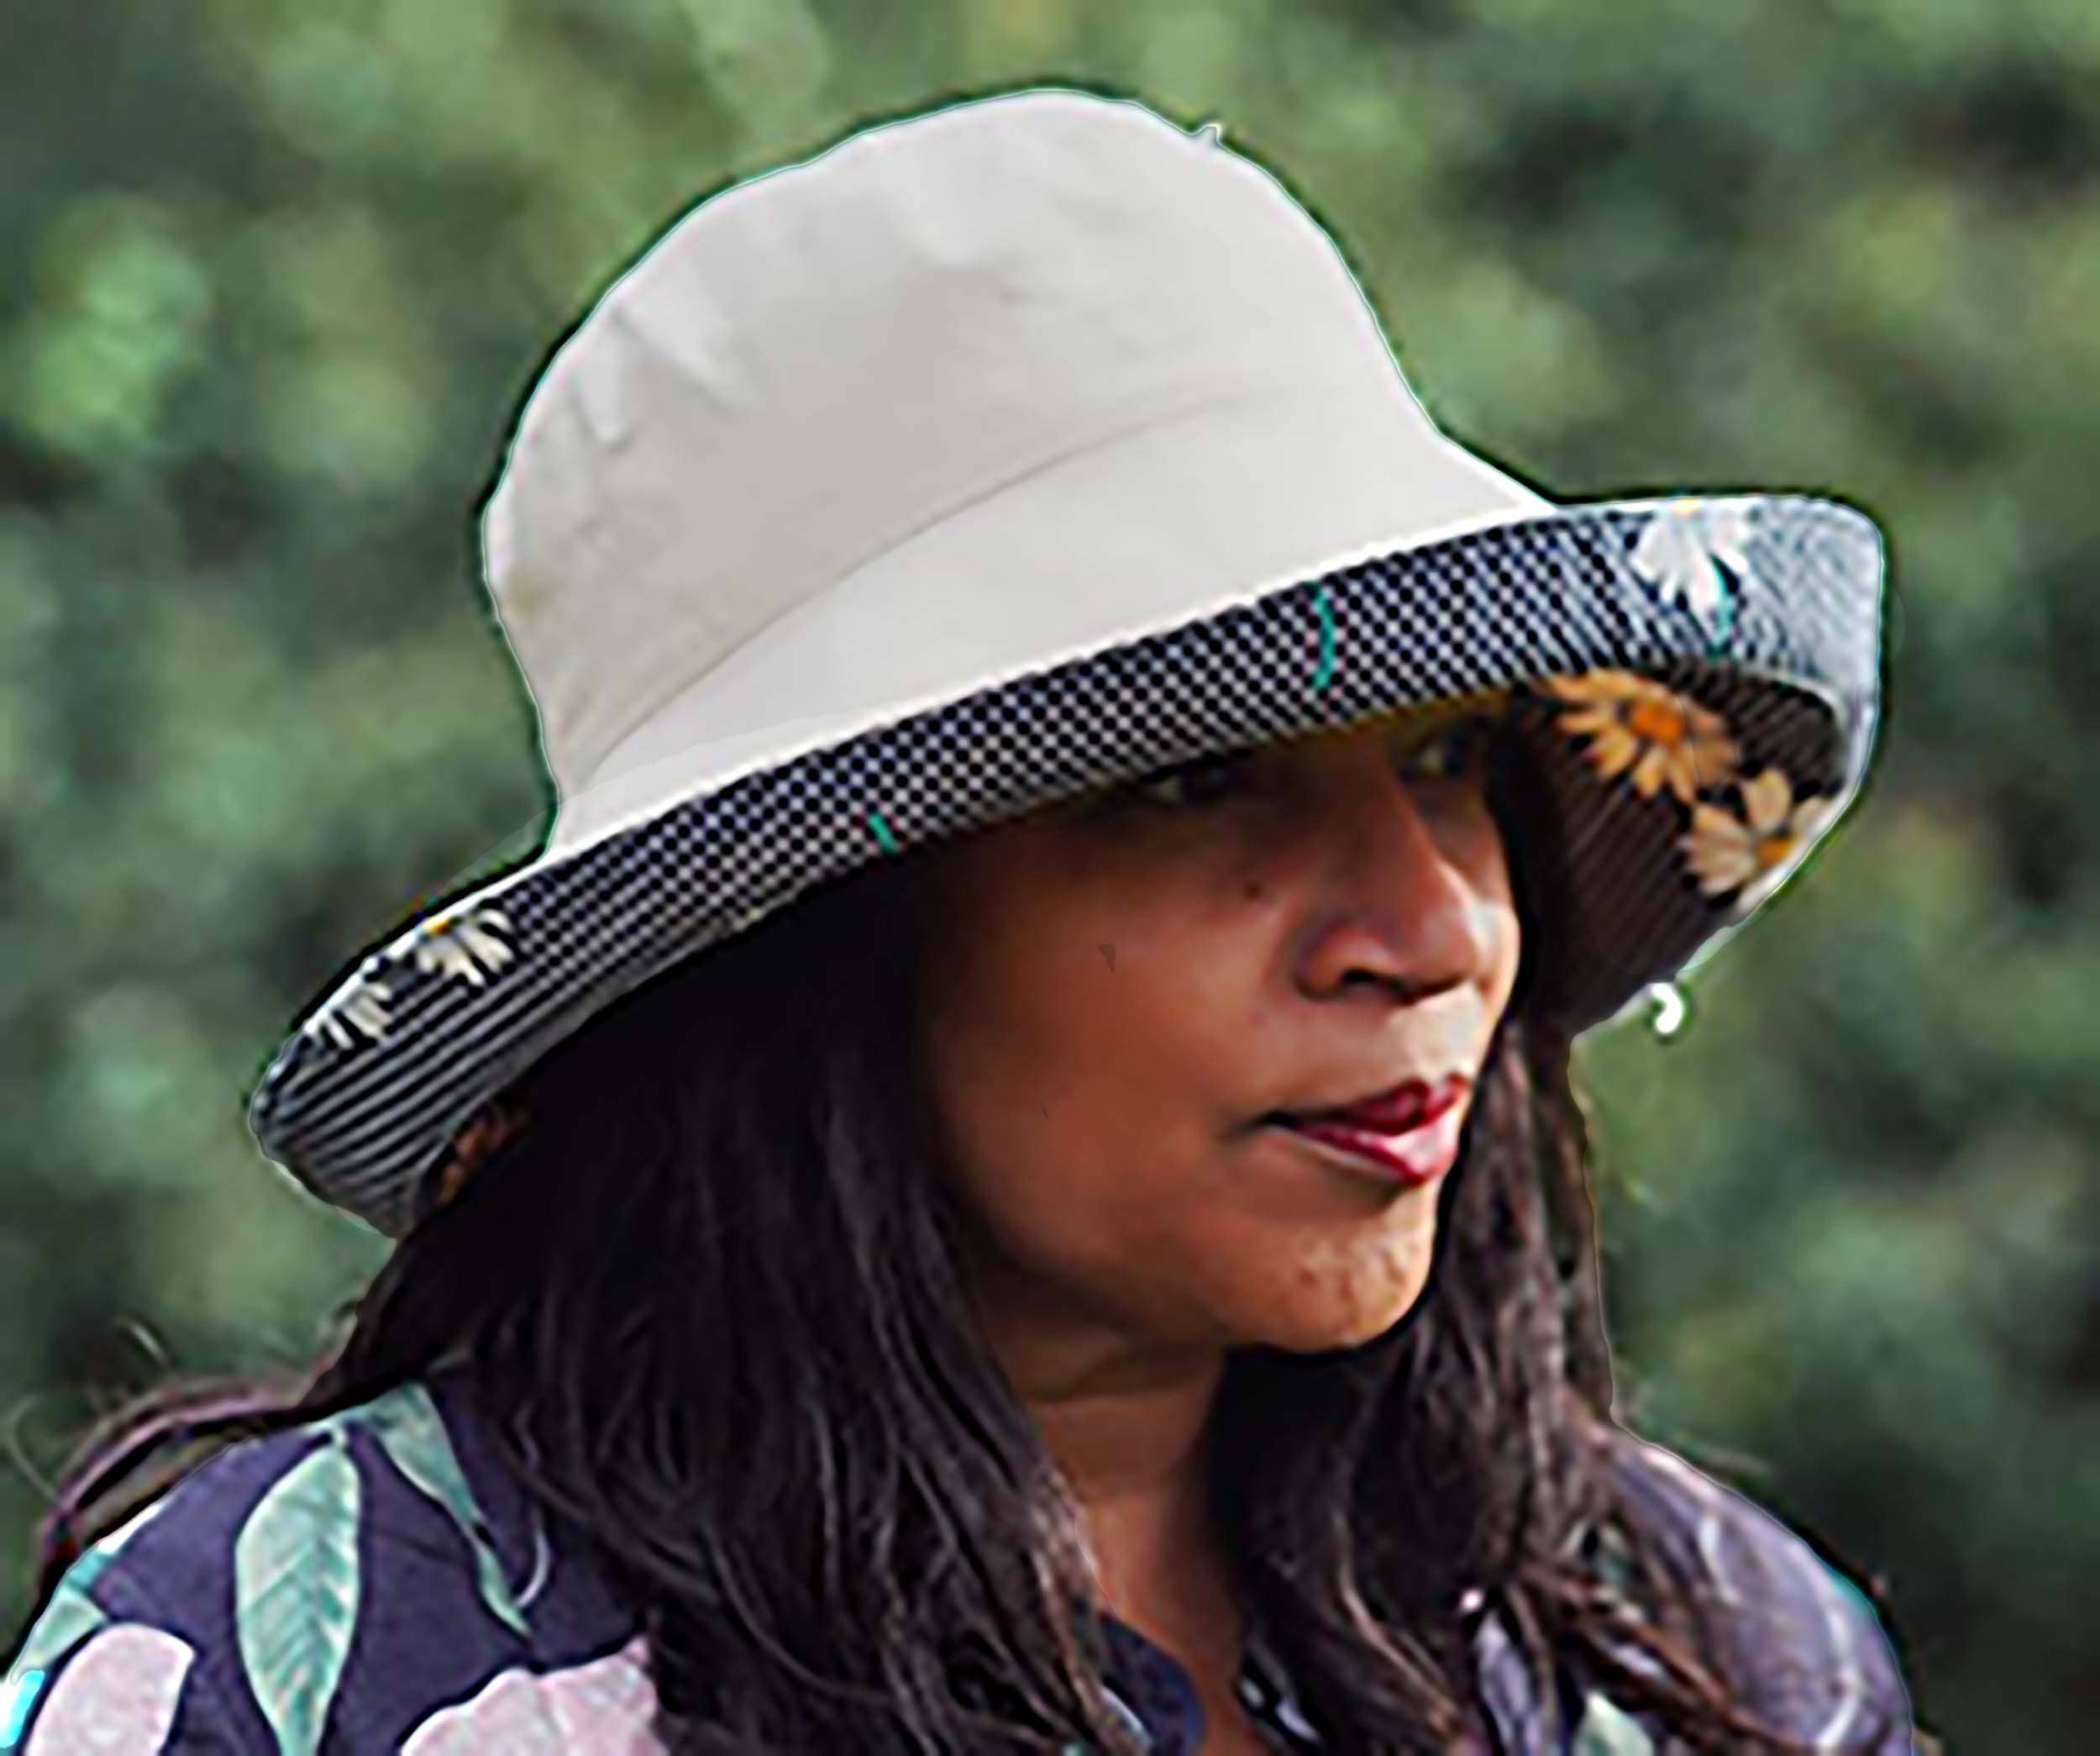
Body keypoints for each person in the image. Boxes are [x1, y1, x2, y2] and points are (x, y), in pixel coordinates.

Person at [1, 87, 1928, 1753]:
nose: (1429, 928)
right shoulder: (309, 1679)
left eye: (1446, 759)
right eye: (1197, 784)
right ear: (808, 939)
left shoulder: (1699, 1652)